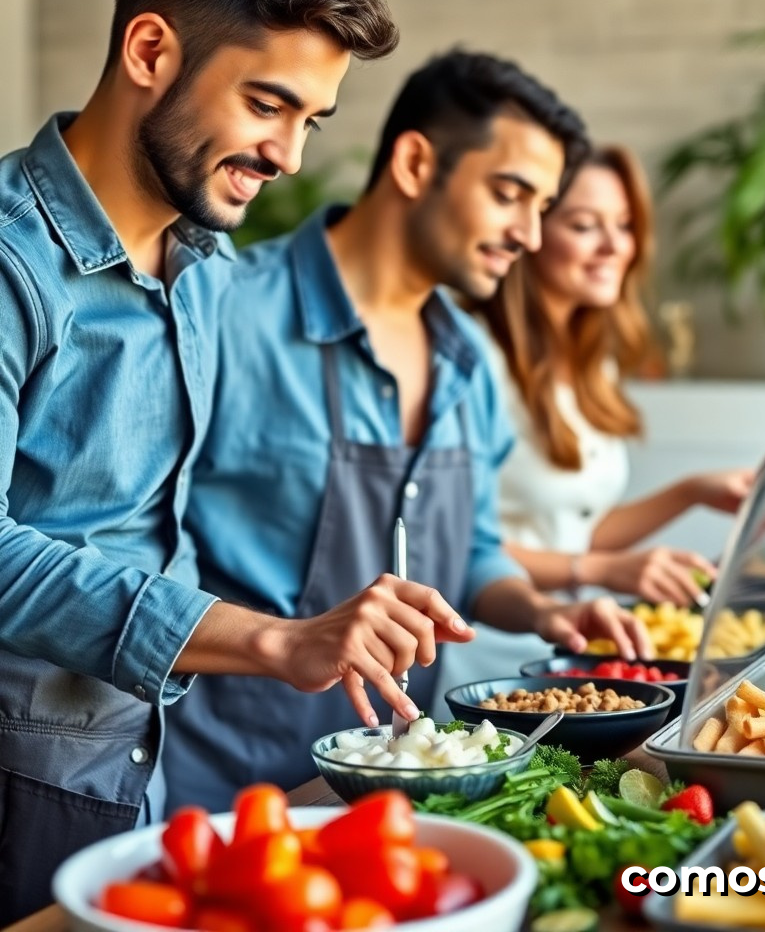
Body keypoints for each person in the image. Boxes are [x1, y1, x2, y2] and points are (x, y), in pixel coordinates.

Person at [0, 0, 451, 921]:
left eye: (312, 121)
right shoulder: (7, 266)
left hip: (143, 777)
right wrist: (271, 641)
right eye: (267, 102)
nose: (289, 153)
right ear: (151, 50)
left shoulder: (207, 273)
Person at [165, 50, 655, 812]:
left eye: (541, 205)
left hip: (400, 787)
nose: (529, 233)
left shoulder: (469, 361)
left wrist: (543, 612)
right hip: (222, 794)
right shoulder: (222, 308)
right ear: (417, 161)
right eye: (510, 194)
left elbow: (474, 549)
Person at [434, 146, 755, 694]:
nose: (614, 246)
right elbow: (455, 544)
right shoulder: (470, 357)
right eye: (585, 226)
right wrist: (602, 570)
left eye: (625, 226)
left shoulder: (588, 359)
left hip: (570, 654)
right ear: (530, 232)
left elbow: (573, 528)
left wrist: (691, 492)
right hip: (483, 660)